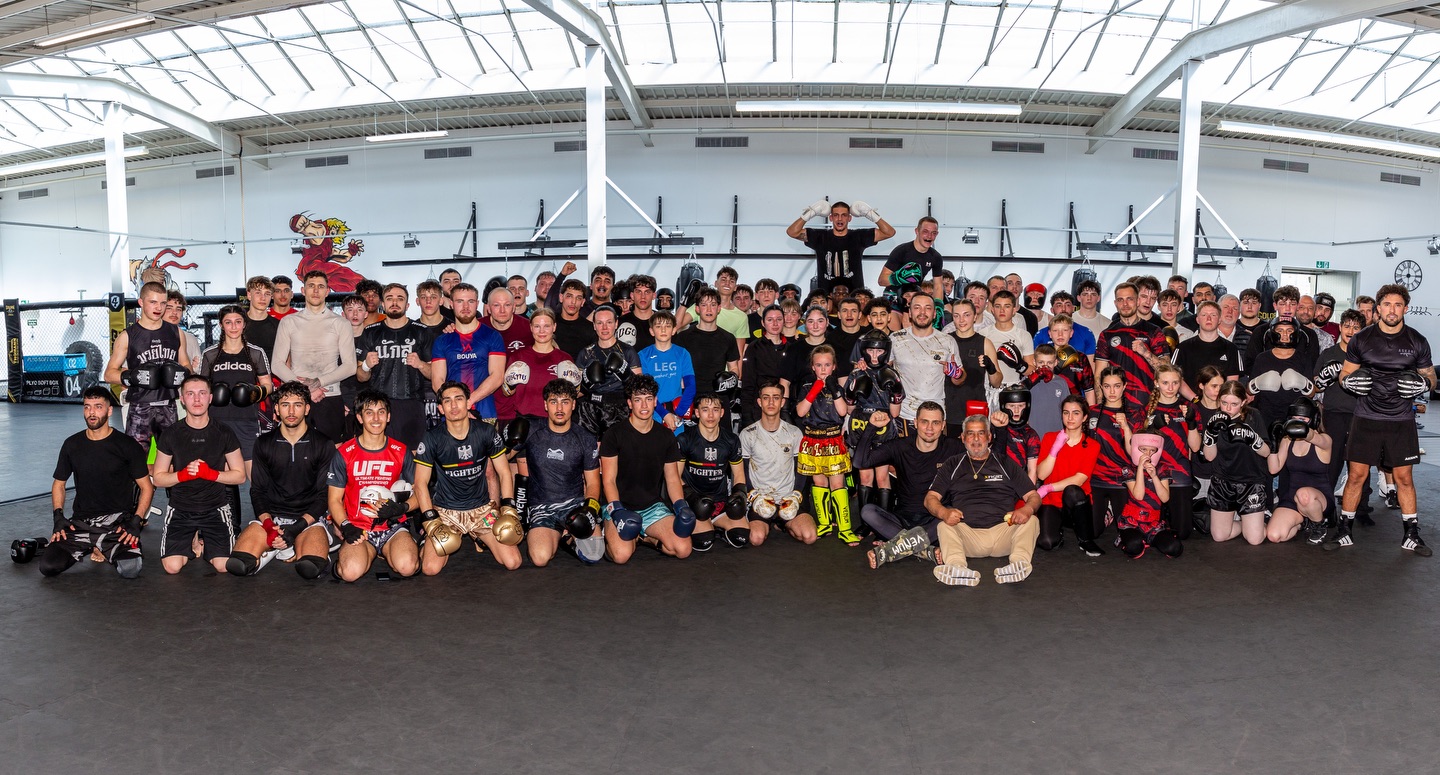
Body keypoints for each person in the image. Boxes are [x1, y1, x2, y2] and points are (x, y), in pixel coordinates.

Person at [1329, 284, 1434, 555]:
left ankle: (1411, 534)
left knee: (1404, 478)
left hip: (1401, 419)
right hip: (1366, 416)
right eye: (1387, 304)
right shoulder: (1361, 339)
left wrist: (1424, 383)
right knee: (1356, 477)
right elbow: (1345, 373)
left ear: (1405, 309)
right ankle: (1344, 531)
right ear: (1378, 308)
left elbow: (1431, 377)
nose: (1392, 310)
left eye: (1398, 305)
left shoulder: (1417, 340)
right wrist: (1349, 382)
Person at [42, 387, 153, 578]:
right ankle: (91, 545)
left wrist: (136, 521)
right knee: (48, 566)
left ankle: (105, 546)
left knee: (131, 570)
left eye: (98, 406)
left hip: (117, 525)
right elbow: (59, 484)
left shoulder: (127, 445)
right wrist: (58, 517)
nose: (92, 413)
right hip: (81, 524)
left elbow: (146, 487)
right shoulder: (72, 444)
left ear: (109, 410)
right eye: (87, 407)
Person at [229, 381, 336, 579]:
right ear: (276, 409)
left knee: (309, 568)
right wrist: (270, 527)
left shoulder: (323, 444)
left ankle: (307, 548)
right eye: (285, 405)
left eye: (298, 404)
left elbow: (324, 496)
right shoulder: (264, 443)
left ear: (307, 408)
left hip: (308, 521)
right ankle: (271, 549)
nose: (292, 411)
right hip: (273, 518)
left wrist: (295, 529)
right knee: (238, 564)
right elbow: (258, 491)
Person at [414, 381, 523, 575]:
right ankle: (425, 541)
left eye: (459, 399)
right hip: (446, 512)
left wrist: (507, 508)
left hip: (482, 512)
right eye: (447, 401)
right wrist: (431, 521)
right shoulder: (432, 438)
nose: (454, 405)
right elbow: (420, 483)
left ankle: (478, 536)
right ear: (440, 408)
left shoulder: (485, 432)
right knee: (430, 569)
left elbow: (504, 472)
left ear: (468, 404)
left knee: (513, 562)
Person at [925, 414, 1042, 586]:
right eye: (970, 434)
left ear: (989, 437)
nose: (976, 439)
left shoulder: (1005, 462)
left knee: (1031, 521)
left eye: (981, 433)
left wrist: (1026, 509)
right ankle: (958, 569)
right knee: (943, 525)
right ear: (963, 437)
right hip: (968, 536)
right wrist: (944, 512)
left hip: (1004, 532)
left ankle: (1018, 565)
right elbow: (930, 498)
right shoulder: (952, 464)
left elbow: (1034, 496)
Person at [152, 375, 246, 574]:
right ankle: (193, 540)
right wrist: (184, 475)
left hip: (215, 509)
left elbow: (240, 475)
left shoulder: (224, 432)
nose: (197, 399)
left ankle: (204, 544)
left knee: (223, 567)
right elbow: (159, 478)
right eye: (191, 394)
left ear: (210, 398)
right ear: (182, 399)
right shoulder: (171, 433)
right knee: (172, 567)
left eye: (202, 393)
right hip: (180, 509)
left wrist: (210, 474)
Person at [327, 389, 420, 582]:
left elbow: (420, 493)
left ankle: (391, 550)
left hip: (393, 526)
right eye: (369, 412)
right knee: (350, 573)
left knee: (407, 567)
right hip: (358, 528)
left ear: (388, 416)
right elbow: (334, 499)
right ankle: (358, 555)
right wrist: (345, 527)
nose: (376, 418)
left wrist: (402, 507)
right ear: (360, 417)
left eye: (381, 412)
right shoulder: (345, 452)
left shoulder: (401, 451)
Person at [599, 375, 693, 563]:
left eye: (648, 399)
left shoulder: (666, 436)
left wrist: (681, 505)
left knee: (684, 549)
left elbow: (673, 479)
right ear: (629, 403)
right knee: (621, 555)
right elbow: (608, 480)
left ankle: (644, 537)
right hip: (620, 505)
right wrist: (617, 511)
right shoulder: (613, 434)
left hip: (651, 507)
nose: (644, 405)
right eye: (638, 399)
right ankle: (608, 531)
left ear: (655, 401)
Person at [198, 304, 273, 532]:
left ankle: (270, 524)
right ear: (222, 325)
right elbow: (200, 387)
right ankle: (224, 526)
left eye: (238, 322)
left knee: (255, 477)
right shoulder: (210, 354)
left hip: (246, 422)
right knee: (218, 474)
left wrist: (254, 392)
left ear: (244, 324)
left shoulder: (255, 352)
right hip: (217, 422)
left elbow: (268, 384)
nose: (233, 326)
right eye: (228, 322)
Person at [862, 401, 963, 567]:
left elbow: (988, 457)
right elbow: (861, 461)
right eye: (924, 422)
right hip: (902, 520)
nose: (929, 428)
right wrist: (871, 427)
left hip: (934, 520)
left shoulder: (953, 447)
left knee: (952, 515)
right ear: (915, 423)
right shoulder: (900, 446)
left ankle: (890, 551)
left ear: (943, 425)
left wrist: (999, 430)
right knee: (868, 511)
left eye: (935, 422)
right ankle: (925, 551)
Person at [518, 379, 604, 565]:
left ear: (573, 404)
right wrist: (508, 441)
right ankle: (558, 534)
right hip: (542, 507)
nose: (559, 408)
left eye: (565, 402)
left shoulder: (585, 438)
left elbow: (593, 482)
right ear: (545, 405)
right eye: (553, 401)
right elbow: (501, 455)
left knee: (594, 554)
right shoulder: (531, 429)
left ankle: (565, 536)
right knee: (540, 558)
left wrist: (589, 510)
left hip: (575, 505)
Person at [103, 280, 191, 455]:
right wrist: (132, 376)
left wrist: (184, 374)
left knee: (173, 458)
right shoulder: (128, 336)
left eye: (163, 303)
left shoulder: (176, 332)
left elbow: (186, 364)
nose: (159, 307)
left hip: (168, 405)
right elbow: (109, 374)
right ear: (141, 302)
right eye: (153, 302)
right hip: (139, 406)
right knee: (136, 460)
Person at [272, 270, 357, 443]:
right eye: (311, 286)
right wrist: (304, 388)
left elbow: (350, 366)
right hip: (296, 398)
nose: (316, 291)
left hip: (329, 395)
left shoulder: (341, 323)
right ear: (303, 291)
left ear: (327, 291)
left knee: (332, 452)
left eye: (320, 287)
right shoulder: (288, 322)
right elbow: (277, 364)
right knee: (296, 452)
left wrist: (318, 382)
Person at [739, 379, 819, 545]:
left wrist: (796, 495)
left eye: (776, 397)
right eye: (766, 397)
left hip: (787, 497)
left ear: (782, 402)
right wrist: (754, 496)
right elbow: (743, 470)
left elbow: (801, 469)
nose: (771, 402)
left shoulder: (794, 432)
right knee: (756, 538)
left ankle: (785, 524)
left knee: (810, 536)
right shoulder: (747, 434)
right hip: (761, 497)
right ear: (759, 402)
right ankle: (769, 523)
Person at [1313, 309, 1374, 525]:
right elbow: (1313, 388)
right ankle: (1328, 509)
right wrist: (1324, 378)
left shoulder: (1368, 356)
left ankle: (1362, 509)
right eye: (1347, 326)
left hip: (1362, 415)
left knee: (1360, 464)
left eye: (1356, 327)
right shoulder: (1329, 354)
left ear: (1361, 331)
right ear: (1340, 327)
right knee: (1332, 463)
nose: (1350, 330)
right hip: (1335, 414)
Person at [356, 283, 431, 448]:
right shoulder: (370, 332)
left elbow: (435, 374)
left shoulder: (422, 331)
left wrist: (420, 364)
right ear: (383, 304)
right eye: (390, 299)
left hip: (412, 404)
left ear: (408, 305)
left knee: (413, 459)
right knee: (381, 455)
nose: (395, 303)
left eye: (400, 299)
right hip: (379, 406)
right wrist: (367, 366)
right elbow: (360, 377)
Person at [794, 346, 854, 544]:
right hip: (812, 440)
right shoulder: (806, 386)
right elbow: (801, 412)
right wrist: (814, 390)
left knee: (837, 484)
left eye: (827, 365)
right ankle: (825, 523)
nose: (823, 369)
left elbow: (843, 411)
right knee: (819, 483)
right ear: (813, 367)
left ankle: (845, 528)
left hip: (833, 439)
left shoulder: (838, 387)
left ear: (834, 366)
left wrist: (835, 390)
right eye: (819, 365)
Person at [1202, 380, 1274, 545]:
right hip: (1223, 481)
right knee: (1219, 536)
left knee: (1255, 539)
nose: (1228, 408)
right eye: (1224, 402)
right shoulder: (1215, 419)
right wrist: (1210, 436)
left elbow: (1266, 452)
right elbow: (1209, 457)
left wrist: (1253, 439)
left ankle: (1259, 522)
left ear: (1243, 402)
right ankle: (1247, 523)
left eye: (1234, 404)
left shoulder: (1253, 416)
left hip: (1251, 482)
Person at [677, 393, 750, 551]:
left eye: (715, 410)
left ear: (722, 413)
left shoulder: (731, 440)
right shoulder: (685, 439)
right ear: (697, 413)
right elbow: (674, 477)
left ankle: (716, 525)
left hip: (720, 502)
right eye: (705, 410)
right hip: (694, 502)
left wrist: (739, 495)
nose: (710, 415)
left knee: (742, 537)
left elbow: (738, 475)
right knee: (703, 542)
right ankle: (707, 526)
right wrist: (692, 497)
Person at [1139, 363, 1201, 542]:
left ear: (1181, 383)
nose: (1170, 388)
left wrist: (1191, 423)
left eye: (1175, 383)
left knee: (1182, 533)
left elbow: (1196, 448)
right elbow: (1136, 447)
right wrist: (1151, 427)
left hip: (1179, 471)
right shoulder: (1147, 409)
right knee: (1150, 529)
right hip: (1153, 472)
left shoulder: (1188, 408)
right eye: (1165, 383)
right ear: (1157, 383)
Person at [1034, 395, 1102, 555]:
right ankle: (1058, 531)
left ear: (1085, 417)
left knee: (1072, 490)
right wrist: (1054, 449)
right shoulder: (1050, 438)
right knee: (1047, 542)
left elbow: (1080, 479)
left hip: (1076, 503)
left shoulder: (1092, 445)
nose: (1070, 418)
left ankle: (1085, 541)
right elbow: (1042, 474)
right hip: (1052, 502)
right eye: (1066, 413)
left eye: (1076, 413)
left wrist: (1049, 488)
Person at [430, 282, 506, 421]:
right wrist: (456, 404)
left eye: (470, 301)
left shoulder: (492, 336)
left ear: (477, 304)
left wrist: (467, 402)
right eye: (460, 301)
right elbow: (437, 381)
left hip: (485, 414)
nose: (465, 307)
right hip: (451, 415)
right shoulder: (442, 340)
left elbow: (497, 376)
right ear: (451, 304)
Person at [787, 199, 895, 293]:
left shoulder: (858, 236)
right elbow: (792, 232)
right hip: (826, 297)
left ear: (849, 218)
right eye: (836, 215)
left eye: (844, 215)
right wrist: (810, 212)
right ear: (831, 218)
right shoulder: (819, 236)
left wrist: (870, 213)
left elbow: (889, 232)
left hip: (854, 297)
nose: (839, 219)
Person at [890, 294, 961, 433]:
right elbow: (881, 370)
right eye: (917, 308)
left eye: (927, 308)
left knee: (938, 455)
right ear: (910, 313)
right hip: (904, 413)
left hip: (935, 415)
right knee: (904, 455)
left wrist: (956, 374)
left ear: (934, 314)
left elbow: (959, 379)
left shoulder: (947, 341)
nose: (922, 312)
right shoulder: (895, 339)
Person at [1266, 398, 1331, 545]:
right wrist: (1273, 444)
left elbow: (1313, 437)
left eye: (1302, 419)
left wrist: (1304, 431)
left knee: (1304, 495)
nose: (1296, 424)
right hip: (1293, 498)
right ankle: (1303, 522)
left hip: (1318, 499)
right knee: (1274, 535)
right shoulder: (1288, 441)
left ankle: (1319, 525)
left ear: (1313, 420)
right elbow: (1273, 469)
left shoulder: (1325, 440)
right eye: (1294, 420)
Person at [501, 307, 581, 425]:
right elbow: (506, 392)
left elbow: (573, 394)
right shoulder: (518, 357)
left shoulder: (564, 359)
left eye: (546, 326)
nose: (541, 331)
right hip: (524, 420)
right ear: (531, 328)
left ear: (554, 327)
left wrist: (577, 384)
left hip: (553, 421)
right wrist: (510, 384)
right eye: (537, 326)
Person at [1096, 282, 1170, 408]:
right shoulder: (1107, 334)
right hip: (1116, 404)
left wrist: (1146, 353)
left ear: (1138, 301)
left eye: (1129, 299)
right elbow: (1099, 375)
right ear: (1115, 304)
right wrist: (1100, 407)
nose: (1125, 304)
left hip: (1147, 404)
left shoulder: (1153, 331)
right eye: (1120, 300)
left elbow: (1167, 369)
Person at [575, 304, 642, 437]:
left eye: (609, 322)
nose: (604, 328)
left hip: (619, 409)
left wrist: (626, 374)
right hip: (590, 410)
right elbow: (574, 393)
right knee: (591, 455)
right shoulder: (585, 353)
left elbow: (640, 389)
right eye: (600, 323)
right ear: (594, 325)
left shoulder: (628, 351)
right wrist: (585, 385)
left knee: (615, 454)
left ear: (616, 323)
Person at [1088, 366, 1134, 548]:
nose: (1112, 391)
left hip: (1122, 479)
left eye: (1117, 386)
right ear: (1101, 386)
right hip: (1096, 478)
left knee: (1127, 536)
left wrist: (1126, 428)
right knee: (1092, 532)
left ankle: (1114, 512)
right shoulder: (1091, 412)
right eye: (1107, 386)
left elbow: (1135, 453)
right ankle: (1106, 514)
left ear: (1124, 386)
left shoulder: (1133, 414)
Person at [944, 299, 1002, 436]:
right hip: (950, 410)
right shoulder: (945, 341)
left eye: (966, 315)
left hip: (975, 410)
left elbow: (997, 382)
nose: (961, 320)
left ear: (975, 317)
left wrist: (991, 368)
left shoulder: (984, 343)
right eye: (957, 315)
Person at [1119, 432, 1182, 558]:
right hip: (1132, 520)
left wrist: (1154, 476)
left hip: (1154, 522)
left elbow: (1165, 498)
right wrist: (1141, 470)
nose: (1147, 454)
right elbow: (1139, 495)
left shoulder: (1161, 468)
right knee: (1133, 547)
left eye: (1152, 450)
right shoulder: (1128, 468)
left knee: (1174, 548)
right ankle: (1133, 539)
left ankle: (1150, 539)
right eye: (1143, 449)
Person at [674, 287, 741, 404]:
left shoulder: (728, 338)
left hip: (719, 397)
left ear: (719, 308)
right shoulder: (683, 337)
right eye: (704, 305)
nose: (709, 309)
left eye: (713, 305)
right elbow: (676, 368)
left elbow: (734, 367)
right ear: (697, 309)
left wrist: (730, 378)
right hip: (690, 397)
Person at [1246, 318, 1313, 428]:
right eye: (1280, 330)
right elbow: (1249, 391)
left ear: (1296, 333)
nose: (1285, 334)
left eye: (1289, 330)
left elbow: (1311, 394)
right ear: (1273, 333)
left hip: (1292, 415)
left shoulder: (1304, 358)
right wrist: (1258, 383)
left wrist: (1302, 383)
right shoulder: (1262, 358)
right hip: (1265, 414)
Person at [1244, 285, 1319, 377]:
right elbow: (1250, 363)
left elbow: (1313, 366)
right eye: (1283, 304)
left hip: (1297, 387)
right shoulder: (1261, 332)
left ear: (1298, 306)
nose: (1287, 309)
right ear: (1275, 306)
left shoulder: (1309, 335)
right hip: (1266, 385)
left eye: (1292, 304)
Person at [638, 311, 695, 431]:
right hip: (651, 414)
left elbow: (691, 386)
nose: (663, 330)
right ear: (652, 331)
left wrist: (678, 413)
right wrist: (664, 413)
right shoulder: (643, 355)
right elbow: (645, 390)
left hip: (676, 415)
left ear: (674, 330)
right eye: (658, 326)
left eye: (667, 326)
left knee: (675, 448)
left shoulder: (682, 354)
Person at [1174, 301, 1240, 400]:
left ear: (1219, 319)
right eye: (1204, 315)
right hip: (1190, 406)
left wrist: (1221, 401)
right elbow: (1176, 378)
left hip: (1220, 406)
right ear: (1197, 319)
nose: (1208, 318)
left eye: (1213, 315)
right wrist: (1195, 400)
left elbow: (1232, 383)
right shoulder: (1183, 348)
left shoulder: (1231, 349)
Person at [740, 305, 792, 428]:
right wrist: (747, 417)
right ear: (763, 323)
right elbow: (748, 384)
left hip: (785, 411)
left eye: (779, 319)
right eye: (770, 320)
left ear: (784, 321)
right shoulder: (754, 348)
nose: (775, 323)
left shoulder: (792, 349)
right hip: (758, 410)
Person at [982, 290, 1035, 384]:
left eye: (1007, 306)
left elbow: (1031, 371)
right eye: (998, 306)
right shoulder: (983, 334)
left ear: (1014, 310)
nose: (1002, 310)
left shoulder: (1024, 335)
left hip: (1013, 388)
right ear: (992, 310)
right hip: (987, 389)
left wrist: (1018, 365)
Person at [878, 216, 941, 288]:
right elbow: (881, 280)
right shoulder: (901, 251)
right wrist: (898, 278)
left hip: (915, 296)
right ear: (917, 231)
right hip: (894, 296)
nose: (929, 236)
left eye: (934, 233)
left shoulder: (935, 257)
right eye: (925, 232)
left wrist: (937, 300)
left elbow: (938, 286)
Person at [553, 278, 599, 356]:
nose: (573, 302)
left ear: (582, 302)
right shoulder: (550, 324)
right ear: (561, 297)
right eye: (569, 296)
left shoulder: (590, 329)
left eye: (578, 298)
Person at [242, 275, 280, 362]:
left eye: (267, 293)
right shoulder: (238, 325)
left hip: (270, 374)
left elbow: (285, 360)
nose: (263, 298)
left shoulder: (279, 326)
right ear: (249, 295)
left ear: (271, 297)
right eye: (258, 293)